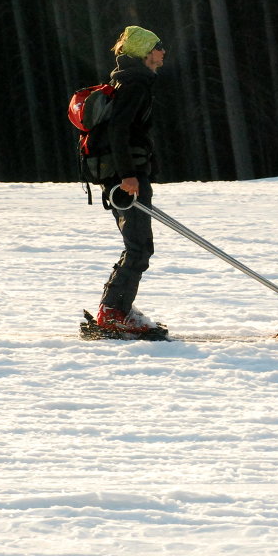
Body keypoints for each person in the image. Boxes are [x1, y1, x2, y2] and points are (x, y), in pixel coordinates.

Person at [95, 25, 167, 335]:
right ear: (147, 52)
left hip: (127, 176)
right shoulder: (134, 84)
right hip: (126, 180)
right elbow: (118, 132)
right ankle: (113, 312)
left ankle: (115, 308)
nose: (164, 51)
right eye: (159, 46)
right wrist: (128, 175)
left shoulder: (129, 80)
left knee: (138, 245)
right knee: (139, 247)